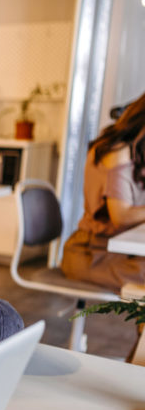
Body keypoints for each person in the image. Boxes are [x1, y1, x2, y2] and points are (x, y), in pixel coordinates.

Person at [61, 91, 145, 292]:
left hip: (114, 252)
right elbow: (121, 216)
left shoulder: (134, 152)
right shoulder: (118, 152)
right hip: (92, 254)